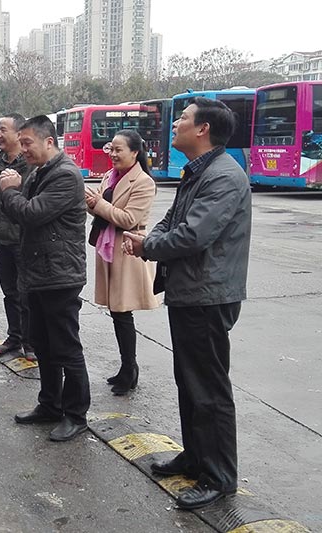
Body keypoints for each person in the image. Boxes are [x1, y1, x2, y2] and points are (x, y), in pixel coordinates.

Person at [123, 97, 251, 510]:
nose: (175, 124)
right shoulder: (199, 171)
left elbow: (194, 235)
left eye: (182, 119)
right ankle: (195, 457)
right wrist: (150, 238)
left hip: (208, 295)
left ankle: (219, 476)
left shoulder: (224, 176)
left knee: (209, 389)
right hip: (191, 291)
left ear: (203, 129)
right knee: (190, 382)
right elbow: (171, 220)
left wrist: (148, 246)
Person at [0, 115, 91, 442]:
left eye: (27, 143)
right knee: (43, 344)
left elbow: (31, 213)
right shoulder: (39, 172)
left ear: (49, 141)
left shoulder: (65, 175)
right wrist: (13, 194)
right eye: (21, 143)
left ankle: (76, 414)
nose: (23, 150)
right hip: (38, 272)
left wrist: (10, 191)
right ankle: (50, 404)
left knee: (65, 347)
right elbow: (19, 213)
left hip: (60, 275)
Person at [85, 130, 159, 395]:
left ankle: (130, 369)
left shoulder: (144, 182)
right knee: (116, 311)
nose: (113, 154)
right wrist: (92, 203)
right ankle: (127, 368)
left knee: (122, 310)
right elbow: (98, 208)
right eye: (111, 149)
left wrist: (98, 204)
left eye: (119, 150)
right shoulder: (110, 176)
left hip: (128, 249)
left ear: (135, 152)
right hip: (109, 247)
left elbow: (128, 219)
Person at [0, 113, 36, 361]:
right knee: (10, 291)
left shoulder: (30, 164)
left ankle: (30, 341)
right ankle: (14, 336)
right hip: (3, 238)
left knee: (27, 292)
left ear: (18, 134)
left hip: (25, 239)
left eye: (3, 130)